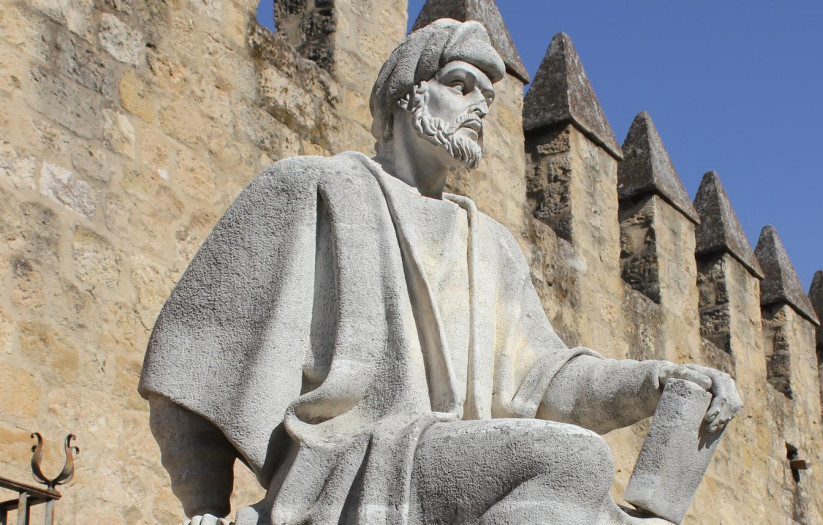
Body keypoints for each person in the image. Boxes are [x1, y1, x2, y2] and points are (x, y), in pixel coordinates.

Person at [139, 19, 740, 525]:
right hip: (352, 468)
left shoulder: (491, 245)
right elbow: (195, 356)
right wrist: (205, 507)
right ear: (407, 94)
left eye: (488, 96)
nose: (480, 106)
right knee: (575, 461)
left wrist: (655, 381)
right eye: (460, 85)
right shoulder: (315, 189)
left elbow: (544, 381)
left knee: (591, 509)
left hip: (450, 463)